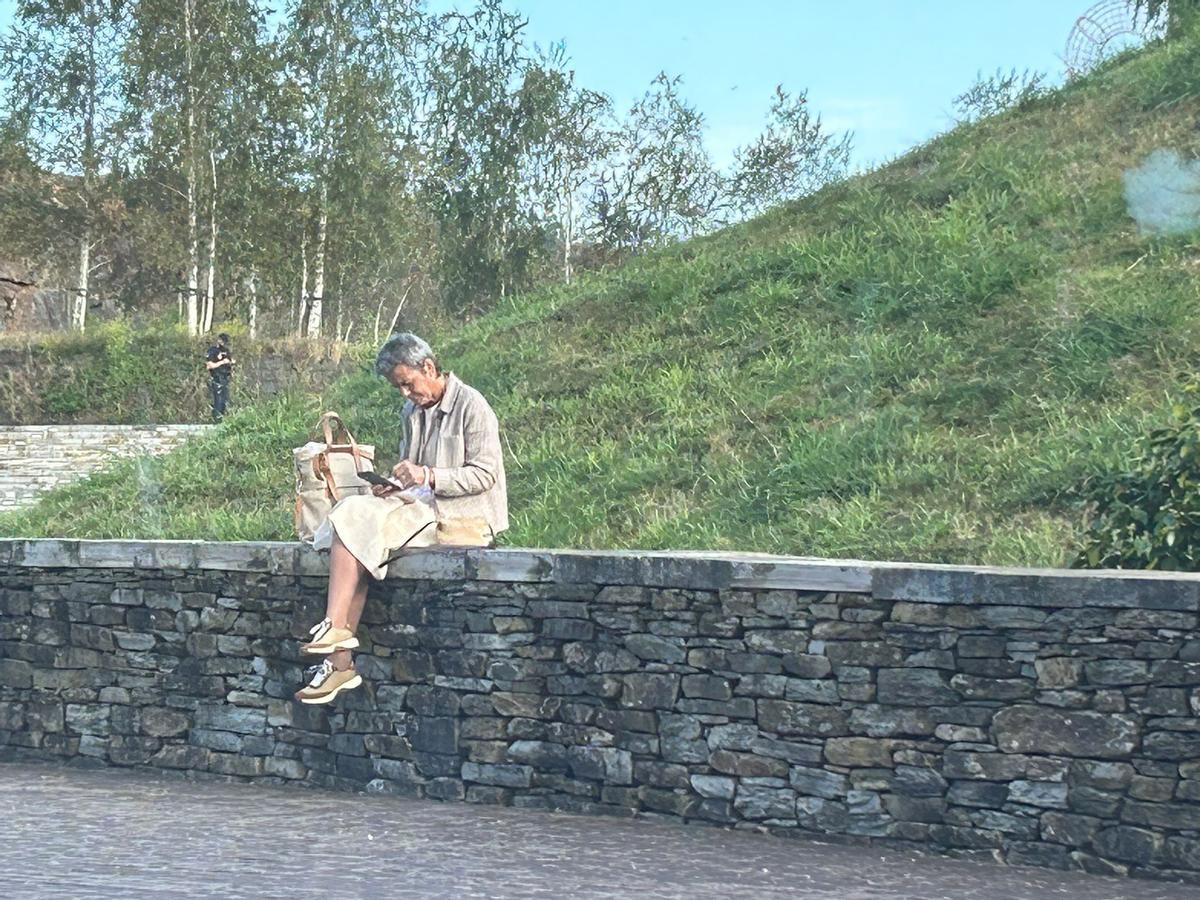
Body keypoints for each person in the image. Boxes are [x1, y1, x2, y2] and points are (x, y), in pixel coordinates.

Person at [295, 332, 508, 704]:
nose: (405, 395)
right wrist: (393, 485)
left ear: (428, 367)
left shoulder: (473, 406)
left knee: (356, 522)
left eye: (407, 384)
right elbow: (413, 475)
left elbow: (485, 475)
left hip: (459, 518)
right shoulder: (411, 412)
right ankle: (338, 657)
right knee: (356, 522)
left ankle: (336, 650)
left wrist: (427, 476)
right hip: (418, 507)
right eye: (399, 388)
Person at [204, 333, 235, 422]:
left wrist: (231, 362)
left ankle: (222, 420)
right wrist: (221, 362)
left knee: (224, 401)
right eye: (222, 340)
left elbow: (230, 361)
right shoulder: (212, 351)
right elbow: (209, 365)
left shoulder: (226, 351)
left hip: (225, 378)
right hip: (216, 378)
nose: (224, 343)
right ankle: (216, 420)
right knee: (218, 401)